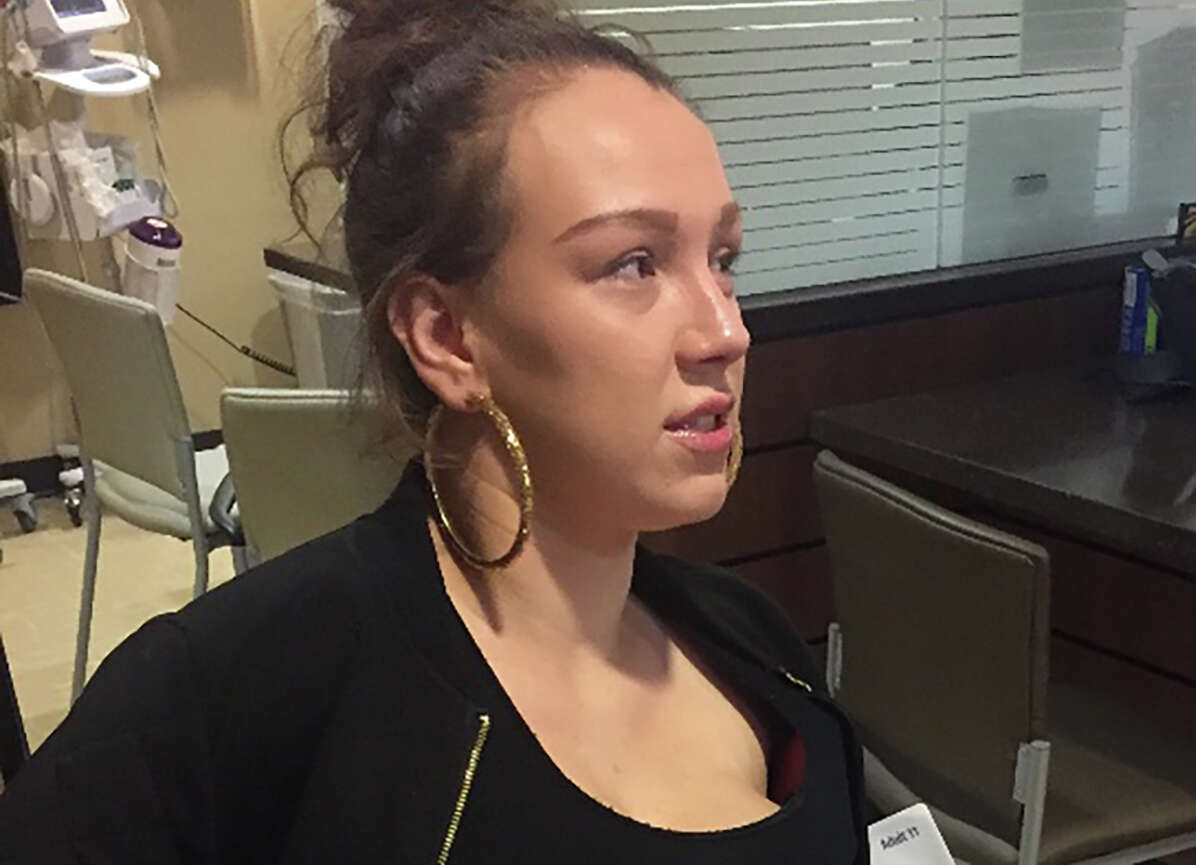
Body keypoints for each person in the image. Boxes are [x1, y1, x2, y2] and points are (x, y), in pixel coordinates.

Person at [0, 1, 867, 862]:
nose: (725, 331)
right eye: (632, 264)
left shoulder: (751, 643)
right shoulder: (244, 695)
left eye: (723, 259)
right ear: (447, 337)